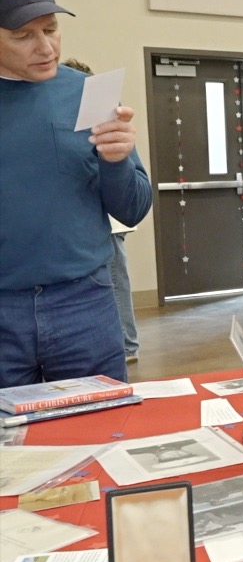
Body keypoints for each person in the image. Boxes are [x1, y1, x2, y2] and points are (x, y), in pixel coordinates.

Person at [0, 0, 151, 387]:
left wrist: (117, 160)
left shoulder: (88, 92)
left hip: (85, 303)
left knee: (101, 432)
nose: (45, 47)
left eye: (50, 29)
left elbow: (134, 208)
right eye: (23, 36)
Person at [63, 58, 143, 364]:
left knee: (115, 274)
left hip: (108, 219)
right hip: (92, 221)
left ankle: (127, 345)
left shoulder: (103, 117)